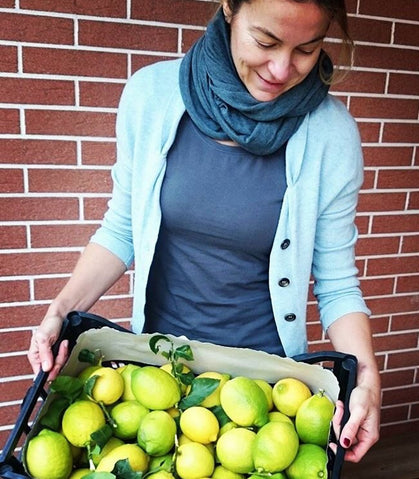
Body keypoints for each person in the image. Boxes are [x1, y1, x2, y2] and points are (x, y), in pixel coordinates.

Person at [28, 0, 380, 462]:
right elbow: (121, 228)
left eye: (307, 50)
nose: (281, 68)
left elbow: (337, 283)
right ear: (229, 8)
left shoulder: (331, 135)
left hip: (267, 397)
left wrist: (368, 378)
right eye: (266, 41)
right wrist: (61, 309)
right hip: (154, 380)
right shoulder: (150, 96)